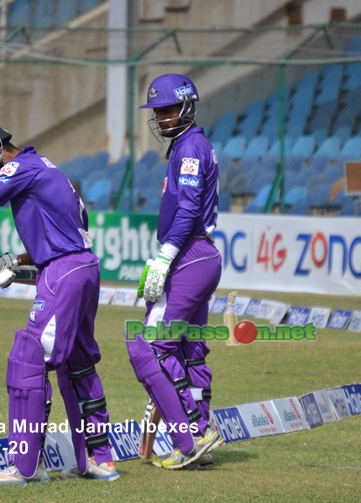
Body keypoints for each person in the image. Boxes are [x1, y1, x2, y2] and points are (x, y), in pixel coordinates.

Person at [0, 124, 118, 484]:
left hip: (63, 273)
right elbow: (73, 235)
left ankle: (27, 467)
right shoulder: (47, 166)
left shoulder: (18, 167)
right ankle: (98, 460)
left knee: (29, 359)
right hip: (85, 266)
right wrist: (15, 261)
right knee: (79, 362)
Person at [127, 73, 224, 470]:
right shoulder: (192, 145)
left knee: (153, 345)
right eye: (157, 111)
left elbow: (186, 211)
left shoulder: (188, 149)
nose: (161, 118)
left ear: (186, 106)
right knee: (190, 351)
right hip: (203, 257)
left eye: (167, 109)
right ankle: (204, 431)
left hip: (188, 254)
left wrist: (165, 257)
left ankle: (192, 435)